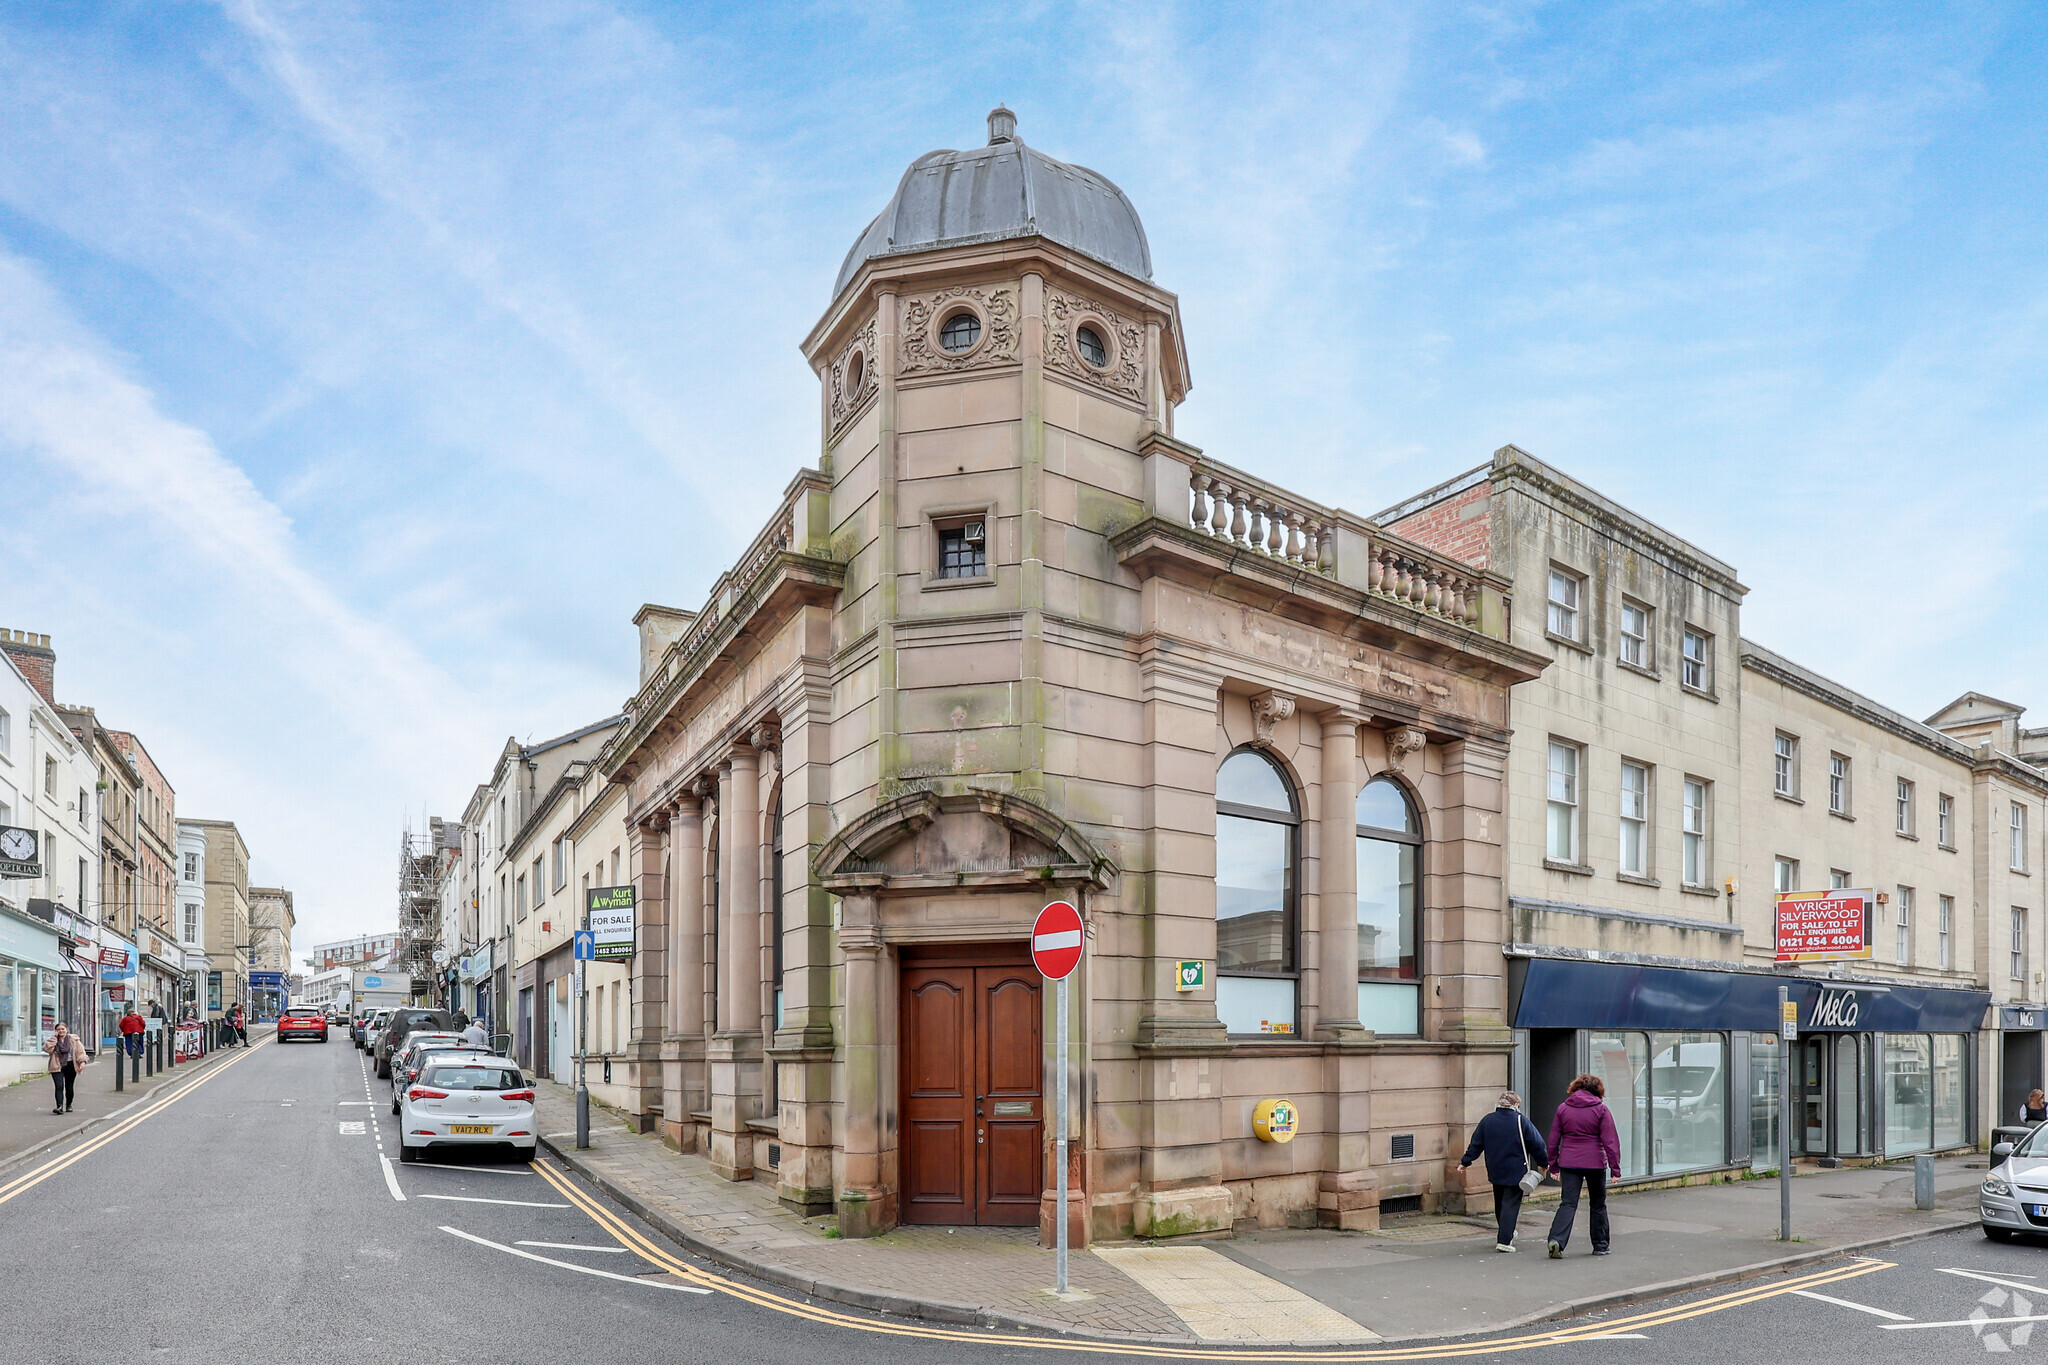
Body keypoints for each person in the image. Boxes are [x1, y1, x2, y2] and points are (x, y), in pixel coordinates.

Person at [1459, 1091, 1549, 1252]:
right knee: (1510, 1204)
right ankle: (1505, 1240)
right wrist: (1543, 1163)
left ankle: (1506, 1231)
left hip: (1494, 1168)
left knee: (1500, 1203)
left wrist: (1465, 1162)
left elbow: (1476, 1144)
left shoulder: (1487, 1120)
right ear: (1515, 1105)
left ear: (1499, 1104)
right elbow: (1537, 1144)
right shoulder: (1521, 1121)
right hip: (1516, 1169)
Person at [1546, 1074, 1623, 1258]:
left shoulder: (1563, 1108)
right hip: (1595, 1162)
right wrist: (1615, 1168)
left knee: (1568, 1203)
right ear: (1598, 1091)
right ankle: (1600, 1245)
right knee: (1597, 1204)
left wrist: (1553, 1165)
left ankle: (1556, 1240)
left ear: (1574, 1089)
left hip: (1569, 1162)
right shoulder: (1601, 1110)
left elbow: (1553, 1140)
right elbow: (1610, 1141)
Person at [45, 1023, 88, 1114]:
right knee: (59, 1086)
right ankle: (59, 1106)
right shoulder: (53, 1040)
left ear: (67, 1029)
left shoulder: (74, 1040)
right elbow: (47, 1049)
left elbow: (81, 1052)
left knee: (69, 1086)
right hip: (57, 1065)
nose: (61, 1031)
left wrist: (82, 1062)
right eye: (58, 1029)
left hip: (70, 1065)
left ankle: (69, 1105)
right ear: (56, 1031)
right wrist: (53, 1039)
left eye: (62, 1029)